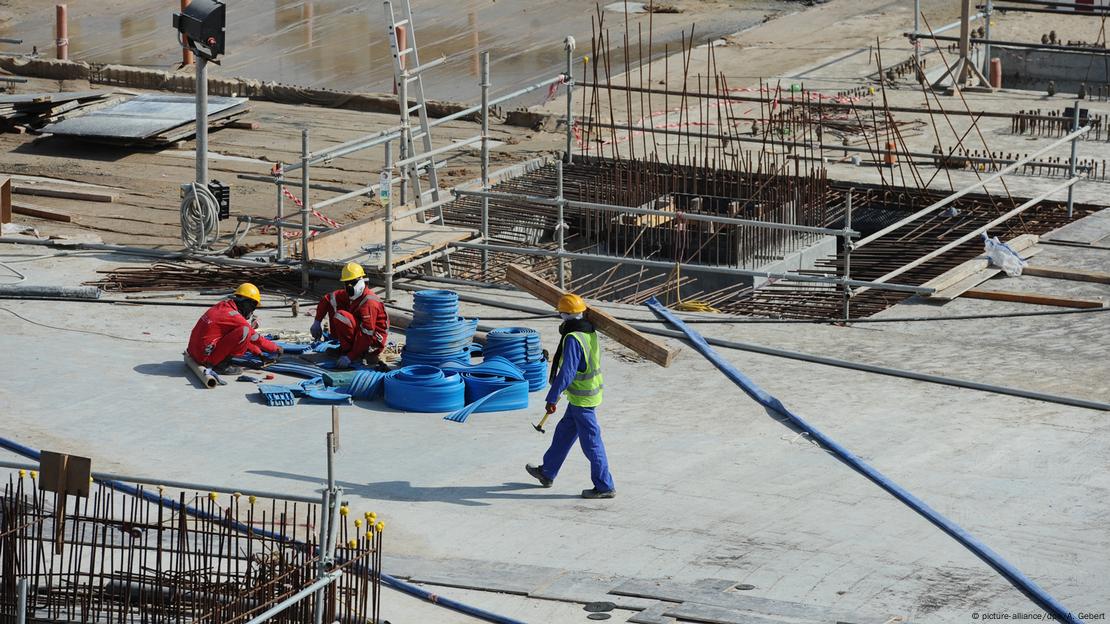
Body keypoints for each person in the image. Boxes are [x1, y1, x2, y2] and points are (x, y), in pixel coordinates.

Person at [526, 293, 615, 499]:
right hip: (581, 396)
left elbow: (568, 371)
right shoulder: (588, 331)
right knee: (564, 433)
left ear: (564, 314)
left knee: (592, 443)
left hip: (583, 400)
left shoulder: (573, 338)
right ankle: (547, 472)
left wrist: (552, 397)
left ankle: (604, 486)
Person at [187, 283, 282, 374]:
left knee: (242, 331)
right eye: (252, 307)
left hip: (194, 352)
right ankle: (221, 365)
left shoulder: (223, 307)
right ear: (247, 303)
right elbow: (254, 337)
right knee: (245, 330)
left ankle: (216, 361)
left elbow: (236, 337)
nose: (251, 311)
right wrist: (275, 348)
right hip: (205, 358)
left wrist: (259, 353)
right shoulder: (234, 316)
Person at [311, 262, 389, 368]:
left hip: (372, 342)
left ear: (361, 280)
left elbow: (366, 333)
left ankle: (353, 353)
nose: (349, 286)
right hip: (362, 334)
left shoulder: (369, 302)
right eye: (347, 283)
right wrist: (317, 321)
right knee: (335, 304)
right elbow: (328, 298)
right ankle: (346, 349)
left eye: (352, 282)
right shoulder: (351, 295)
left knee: (341, 316)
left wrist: (350, 357)